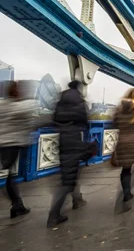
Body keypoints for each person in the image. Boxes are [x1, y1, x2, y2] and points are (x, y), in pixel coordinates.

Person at [48, 80, 92, 227]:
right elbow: (85, 121)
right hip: (74, 138)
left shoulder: (60, 101)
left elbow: (54, 119)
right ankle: (53, 216)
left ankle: (77, 199)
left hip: (62, 138)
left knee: (70, 173)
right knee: (68, 180)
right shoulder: (79, 101)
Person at [0, 81, 47, 218]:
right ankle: (17, 205)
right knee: (9, 175)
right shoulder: (23, 106)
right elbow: (35, 122)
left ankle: (16, 204)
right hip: (13, 144)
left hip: (2, 143)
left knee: (8, 173)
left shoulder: (2, 105)